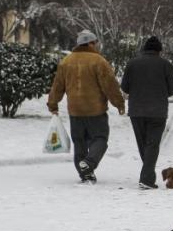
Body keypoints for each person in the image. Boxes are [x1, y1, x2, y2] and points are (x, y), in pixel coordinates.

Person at [47, 30, 125, 184]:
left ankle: (86, 174)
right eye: (95, 43)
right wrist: (119, 103)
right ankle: (89, 163)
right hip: (96, 110)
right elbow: (110, 85)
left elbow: (57, 86)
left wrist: (53, 104)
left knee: (80, 142)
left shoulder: (66, 61)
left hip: (75, 111)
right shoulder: (99, 61)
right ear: (90, 43)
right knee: (100, 139)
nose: (96, 46)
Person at [121, 36, 173, 190]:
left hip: (136, 110)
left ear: (144, 49)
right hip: (157, 111)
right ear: (159, 50)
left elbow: (125, 87)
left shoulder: (132, 64)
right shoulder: (166, 65)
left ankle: (147, 176)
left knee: (143, 144)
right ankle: (146, 178)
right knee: (152, 145)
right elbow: (172, 89)